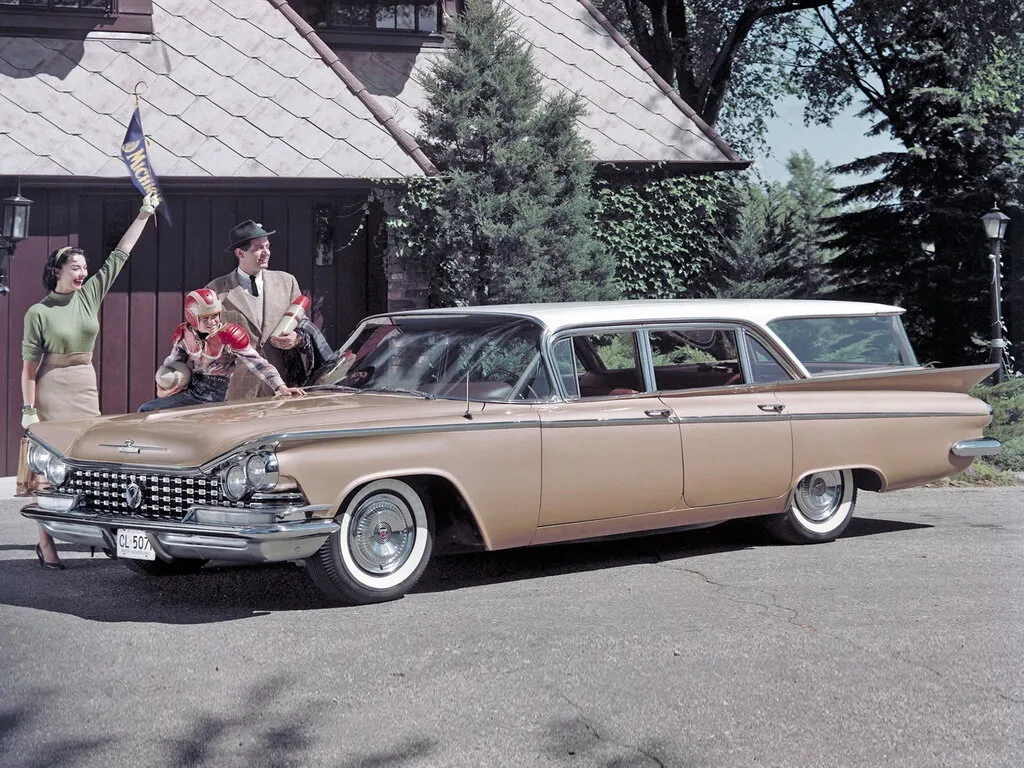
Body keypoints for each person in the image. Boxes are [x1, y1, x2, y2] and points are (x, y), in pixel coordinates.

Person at [20, 192, 159, 569]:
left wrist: (145, 213)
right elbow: (29, 367)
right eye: (75, 268)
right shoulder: (39, 312)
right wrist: (29, 409)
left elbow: (122, 253)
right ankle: (47, 544)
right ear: (57, 272)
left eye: (84, 267)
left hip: (84, 383)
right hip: (51, 387)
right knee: (50, 470)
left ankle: (93, 532)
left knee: (87, 462)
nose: (83, 273)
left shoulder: (91, 294)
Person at [206, 220, 332, 400]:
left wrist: (296, 339)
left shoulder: (287, 282)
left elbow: (302, 325)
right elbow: (206, 338)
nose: (266, 252)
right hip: (238, 389)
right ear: (240, 252)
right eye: (258, 248)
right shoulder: (216, 290)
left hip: (285, 384)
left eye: (267, 246)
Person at [138, 289, 305, 412]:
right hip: (192, 389)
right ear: (192, 317)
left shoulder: (229, 335)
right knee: (146, 411)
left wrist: (280, 387)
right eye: (205, 318)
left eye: (215, 315)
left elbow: (258, 363)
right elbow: (172, 363)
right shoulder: (184, 334)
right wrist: (163, 385)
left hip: (218, 395)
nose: (211, 322)